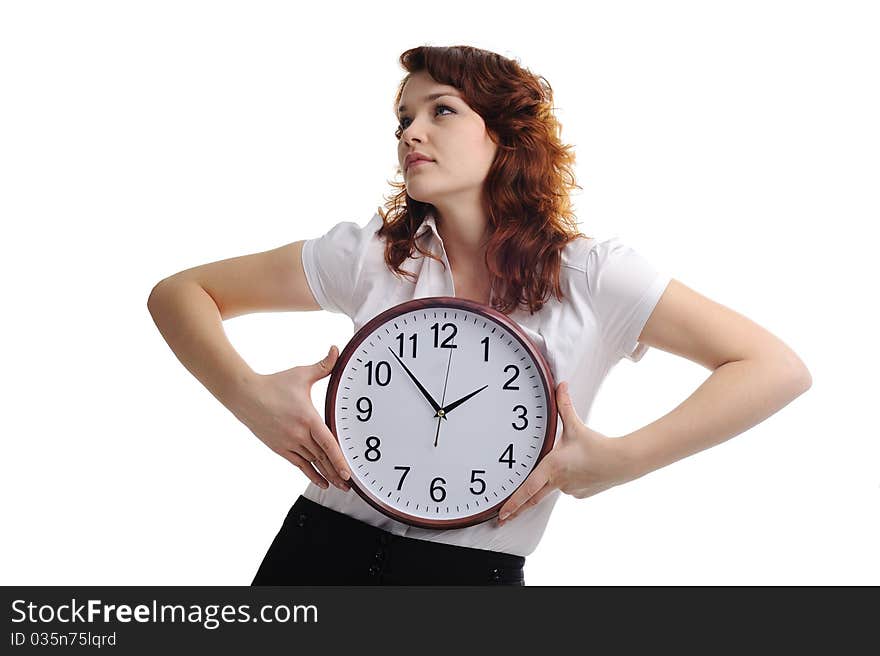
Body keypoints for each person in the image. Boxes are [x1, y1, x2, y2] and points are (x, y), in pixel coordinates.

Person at [147, 44, 812, 586]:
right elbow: (180, 293)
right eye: (403, 118)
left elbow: (772, 368)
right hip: (315, 554)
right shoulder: (373, 256)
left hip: (469, 579)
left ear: (505, 136)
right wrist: (250, 398)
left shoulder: (594, 276)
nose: (411, 131)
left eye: (441, 111)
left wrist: (623, 460)